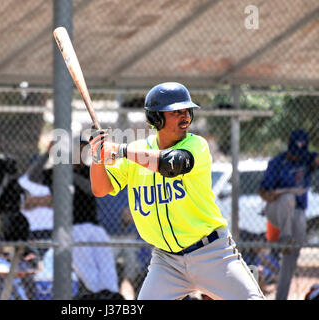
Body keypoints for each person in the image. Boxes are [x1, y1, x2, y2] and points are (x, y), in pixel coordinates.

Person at [89, 82, 265, 300]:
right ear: (155, 118)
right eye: (176, 112)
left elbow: (171, 164)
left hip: (211, 252)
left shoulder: (196, 145)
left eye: (187, 111)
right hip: (166, 261)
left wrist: (122, 150)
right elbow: (100, 188)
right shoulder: (137, 152)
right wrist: (98, 155)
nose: (185, 117)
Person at [42, 137, 121, 298]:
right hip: (73, 228)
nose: (82, 153)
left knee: (107, 268)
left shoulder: (88, 170)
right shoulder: (56, 171)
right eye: (79, 149)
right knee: (87, 270)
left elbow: (91, 189)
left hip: (94, 227)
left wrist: (69, 174)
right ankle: (99, 296)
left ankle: (112, 297)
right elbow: (38, 175)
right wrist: (50, 156)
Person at [258, 128, 319, 300]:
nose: (297, 156)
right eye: (294, 152)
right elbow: (263, 192)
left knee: (292, 256)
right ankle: (285, 238)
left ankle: (281, 297)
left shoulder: (306, 159)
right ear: (288, 146)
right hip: (275, 211)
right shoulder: (278, 162)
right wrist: (279, 193)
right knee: (289, 197)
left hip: (296, 215)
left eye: (300, 152)